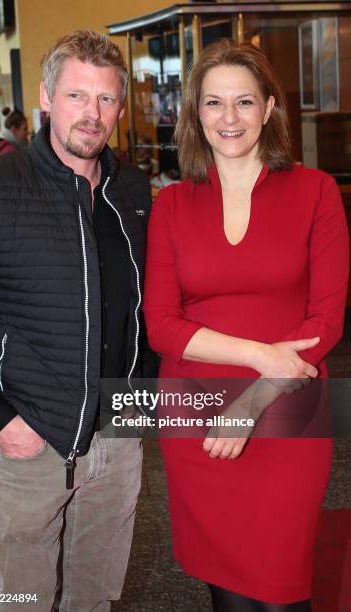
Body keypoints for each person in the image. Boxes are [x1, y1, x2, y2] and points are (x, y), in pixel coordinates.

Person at [144, 39, 349, 611]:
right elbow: (161, 325)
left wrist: (255, 395)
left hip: (289, 403)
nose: (229, 118)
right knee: (230, 595)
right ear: (195, 113)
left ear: (269, 108)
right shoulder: (173, 204)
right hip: (197, 414)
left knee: (283, 590)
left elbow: (326, 319)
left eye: (244, 102)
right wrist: (260, 355)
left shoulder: (316, 192)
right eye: (213, 103)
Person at [0, 30, 153, 611]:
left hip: (115, 443)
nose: (91, 114)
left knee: (95, 598)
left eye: (105, 100)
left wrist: (139, 406)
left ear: (120, 109)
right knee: (18, 600)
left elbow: (144, 308)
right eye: (77, 96)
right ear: (47, 98)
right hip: (28, 440)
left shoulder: (133, 191)